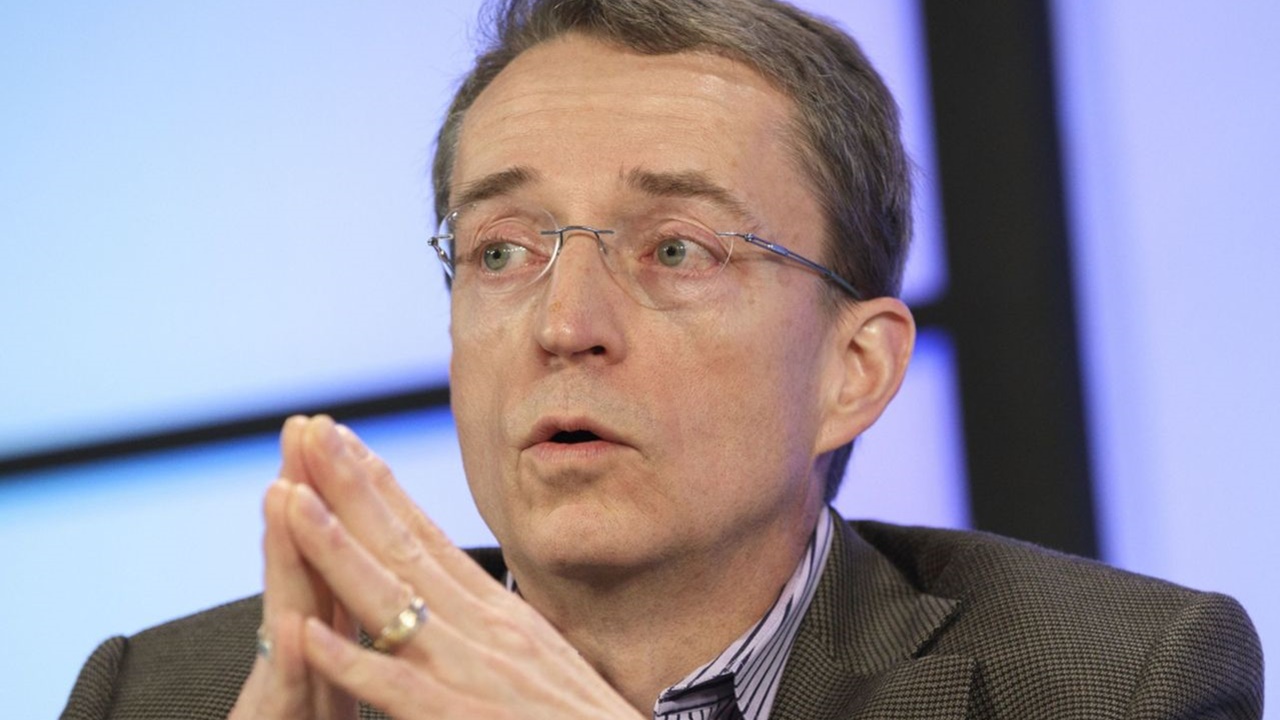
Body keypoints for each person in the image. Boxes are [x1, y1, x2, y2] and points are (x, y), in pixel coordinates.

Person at [61, 0, 1263, 718]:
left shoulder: (1111, 685)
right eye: (501, 251)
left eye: (675, 249)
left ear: (852, 370)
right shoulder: (171, 695)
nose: (563, 323)